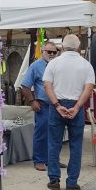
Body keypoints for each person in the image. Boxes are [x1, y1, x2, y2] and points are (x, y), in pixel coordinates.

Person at [42, 34, 94, 190]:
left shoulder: (53, 63)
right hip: (76, 105)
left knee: (54, 144)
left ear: (62, 46)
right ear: (78, 47)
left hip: (57, 105)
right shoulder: (86, 65)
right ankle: (72, 182)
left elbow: (47, 86)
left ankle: (54, 180)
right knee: (76, 145)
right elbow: (89, 88)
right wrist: (78, 106)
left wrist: (57, 105)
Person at [20, 40, 59, 171]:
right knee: (41, 133)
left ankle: (52, 160)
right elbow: (24, 85)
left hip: (57, 105)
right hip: (43, 105)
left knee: (55, 134)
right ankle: (39, 160)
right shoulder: (36, 66)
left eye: (54, 52)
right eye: (49, 52)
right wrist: (32, 101)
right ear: (42, 51)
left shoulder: (58, 65)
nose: (52, 54)